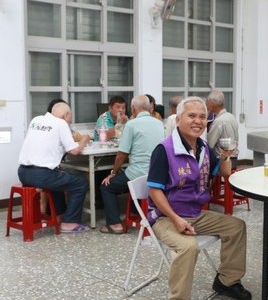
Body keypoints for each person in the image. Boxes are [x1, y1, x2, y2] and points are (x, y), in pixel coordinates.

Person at [146, 96, 252, 300]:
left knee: (236, 227)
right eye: (191, 116)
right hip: (166, 217)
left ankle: (227, 281)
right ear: (179, 119)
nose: (198, 121)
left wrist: (225, 156)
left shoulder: (203, 148)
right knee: (187, 246)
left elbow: (223, 174)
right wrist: (175, 219)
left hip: (195, 213)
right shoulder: (164, 150)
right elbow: (154, 192)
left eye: (202, 116)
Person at [18, 102, 92, 233]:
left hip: (23, 172)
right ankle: (70, 223)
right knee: (80, 183)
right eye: (70, 118)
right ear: (66, 115)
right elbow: (75, 151)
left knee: (58, 178)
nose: (70, 122)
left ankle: (58, 216)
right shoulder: (61, 124)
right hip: (41, 175)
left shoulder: (36, 119)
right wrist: (84, 140)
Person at [98, 95, 164, 234]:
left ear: (133, 109)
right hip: (157, 174)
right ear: (149, 107)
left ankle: (115, 224)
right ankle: (138, 211)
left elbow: (122, 154)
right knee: (127, 176)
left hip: (139, 175)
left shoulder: (131, 124)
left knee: (106, 186)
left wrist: (113, 173)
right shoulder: (159, 123)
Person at [206, 90, 239, 168]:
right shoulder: (231, 116)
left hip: (223, 161)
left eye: (207, 102)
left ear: (212, 103)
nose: (206, 105)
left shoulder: (219, 121)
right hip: (234, 158)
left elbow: (209, 144)